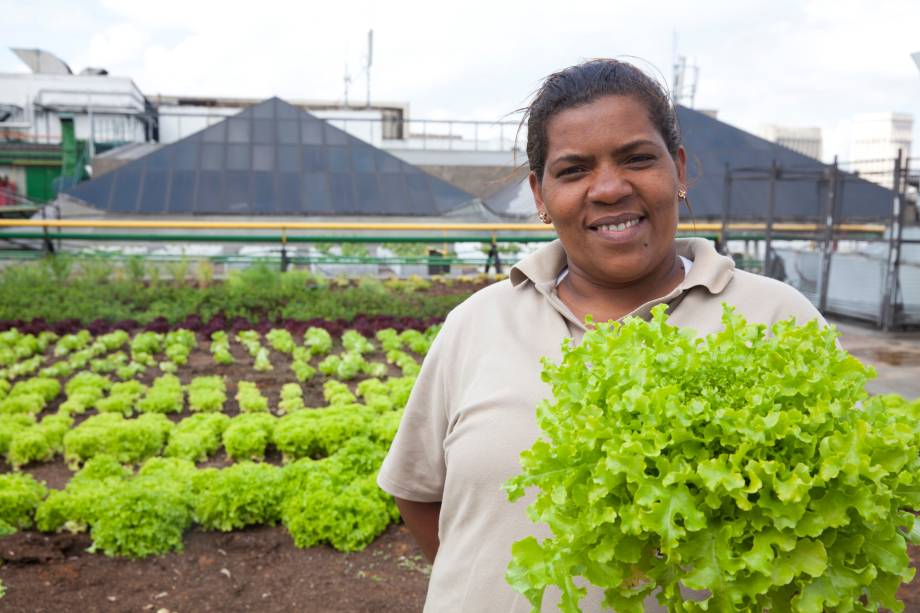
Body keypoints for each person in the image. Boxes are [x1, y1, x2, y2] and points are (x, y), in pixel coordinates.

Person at [376, 59, 824, 612]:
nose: (610, 188)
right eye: (573, 170)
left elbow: (835, 517)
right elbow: (418, 492)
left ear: (679, 169)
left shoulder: (778, 318)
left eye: (637, 159)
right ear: (540, 195)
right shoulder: (477, 322)